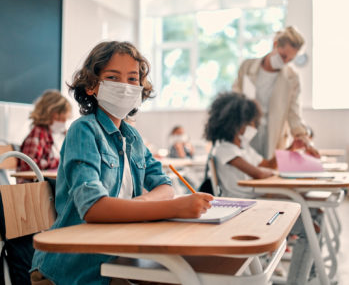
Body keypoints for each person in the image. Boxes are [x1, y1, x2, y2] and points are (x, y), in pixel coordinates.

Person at [30, 41, 213, 285]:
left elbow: (165, 185)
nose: (125, 87)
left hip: (117, 255)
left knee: (197, 272)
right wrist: (176, 208)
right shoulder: (83, 130)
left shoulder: (133, 137)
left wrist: (143, 202)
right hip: (74, 267)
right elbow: (94, 208)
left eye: (132, 79)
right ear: (93, 85)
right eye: (113, 77)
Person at [204, 92, 321, 284]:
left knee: (315, 213)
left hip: (258, 202)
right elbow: (258, 173)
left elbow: (267, 164)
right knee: (310, 228)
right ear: (236, 123)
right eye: (250, 123)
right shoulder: (224, 149)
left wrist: (291, 148)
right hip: (247, 208)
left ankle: (311, 274)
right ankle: (300, 280)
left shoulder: (243, 147)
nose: (253, 127)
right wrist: (277, 173)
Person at [232, 26, 319, 160]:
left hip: (273, 136)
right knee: (244, 168)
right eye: (283, 56)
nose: (285, 62)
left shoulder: (292, 78)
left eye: (290, 60)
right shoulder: (247, 67)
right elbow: (234, 98)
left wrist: (303, 137)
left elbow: (294, 113)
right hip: (245, 131)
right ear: (275, 44)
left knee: (267, 170)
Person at [17, 90, 72, 172]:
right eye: (60, 119)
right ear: (49, 113)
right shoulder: (38, 133)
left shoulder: (49, 134)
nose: (63, 123)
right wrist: (60, 161)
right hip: (32, 183)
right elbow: (30, 165)